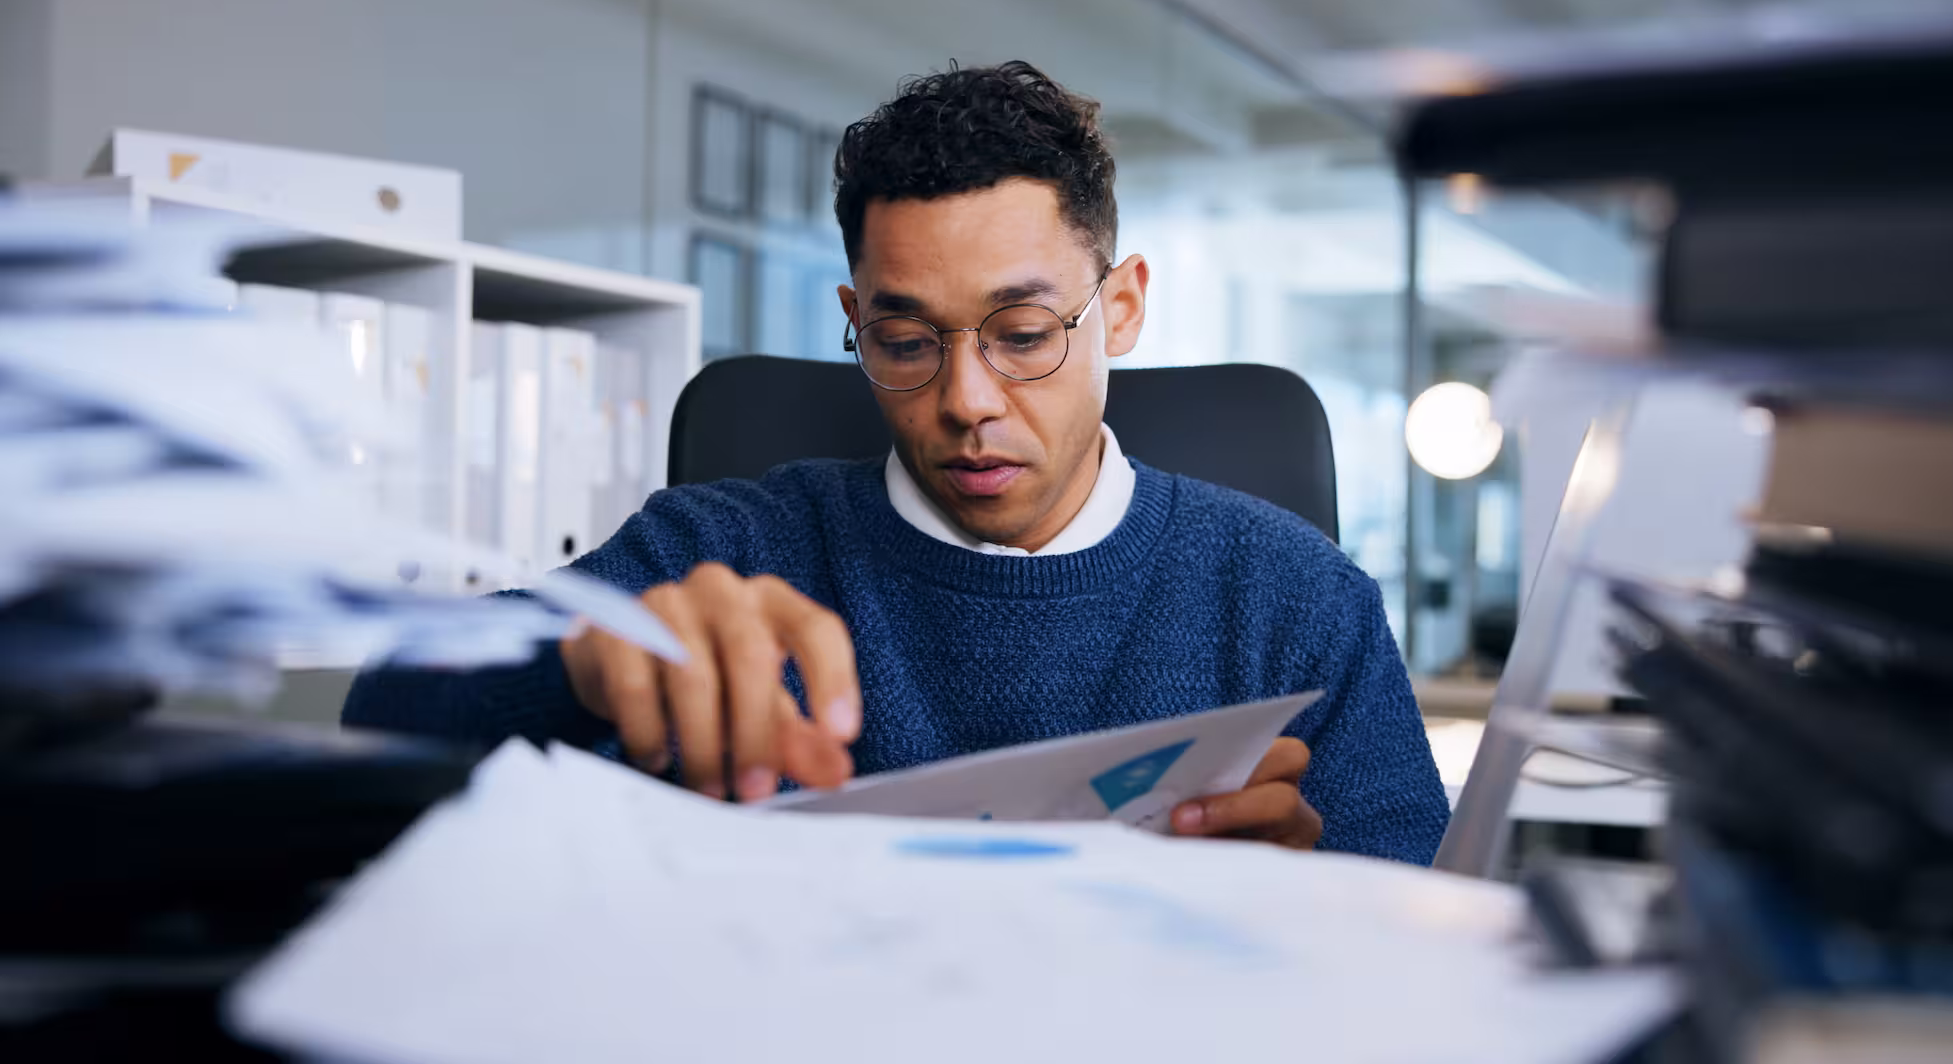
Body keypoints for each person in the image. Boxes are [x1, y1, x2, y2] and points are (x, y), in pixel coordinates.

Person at [345, 61, 1449, 863]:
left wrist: (1310, 907)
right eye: (905, 341)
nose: (966, 402)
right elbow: (381, 712)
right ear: (854, 319)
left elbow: (1422, 955)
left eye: (1022, 335)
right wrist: (579, 659)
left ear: (1119, 309)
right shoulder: (722, 552)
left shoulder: (1296, 598)